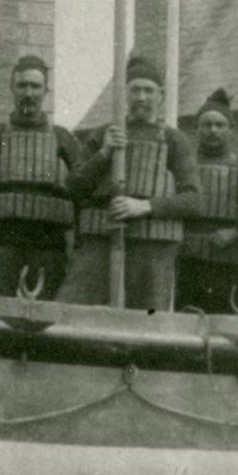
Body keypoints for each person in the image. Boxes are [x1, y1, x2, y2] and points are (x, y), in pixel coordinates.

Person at [59, 56, 200, 312]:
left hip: (152, 246)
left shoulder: (174, 139)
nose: (142, 97)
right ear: (125, 93)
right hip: (100, 240)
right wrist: (104, 153)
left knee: (148, 321)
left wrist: (145, 206)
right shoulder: (103, 134)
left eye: (149, 90)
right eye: (135, 89)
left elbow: (194, 199)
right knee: (70, 311)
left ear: (161, 95)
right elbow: (73, 187)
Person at [0, 55, 83, 300]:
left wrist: (76, 247)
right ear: (11, 89)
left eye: (35, 86)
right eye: (22, 85)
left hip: (50, 246)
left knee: (45, 317)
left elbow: (82, 191)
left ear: (46, 91)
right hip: (3, 243)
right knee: (0, 314)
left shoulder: (63, 140)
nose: (29, 93)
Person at [175, 89, 238, 315]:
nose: (213, 130)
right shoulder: (182, 167)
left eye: (220, 125)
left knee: (224, 323)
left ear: (231, 130)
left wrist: (237, 232)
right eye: (207, 125)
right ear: (197, 129)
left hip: (227, 261)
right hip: (186, 260)